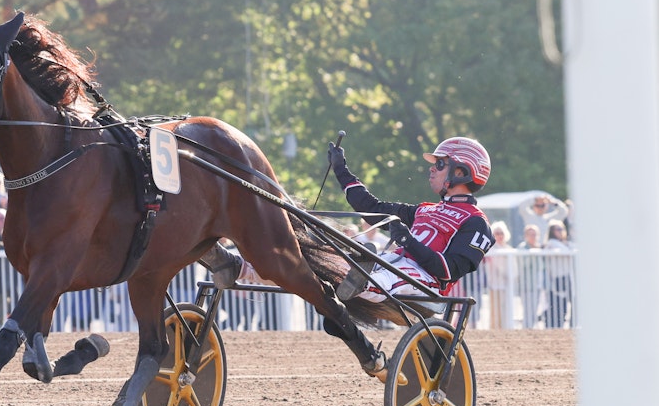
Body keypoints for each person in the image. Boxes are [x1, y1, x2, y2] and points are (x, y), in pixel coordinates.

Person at [210, 137, 495, 382]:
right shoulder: (425, 209)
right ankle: (242, 269)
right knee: (317, 261)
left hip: (425, 284)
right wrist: (342, 171)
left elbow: (449, 271)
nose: (432, 168)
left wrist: (407, 240)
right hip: (392, 266)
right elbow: (371, 209)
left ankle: (354, 284)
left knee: (369, 269)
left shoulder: (477, 224)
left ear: (461, 171)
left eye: (440, 164)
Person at [541, 220, 574, 329]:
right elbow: (566, 252)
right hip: (557, 279)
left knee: (566, 305)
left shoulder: (566, 243)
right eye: (558, 229)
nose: (561, 232)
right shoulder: (551, 243)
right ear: (552, 231)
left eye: (562, 229)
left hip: (566, 278)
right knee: (558, 306)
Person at [485, 221, 518, 330]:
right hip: (495, 285)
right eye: (497, 233)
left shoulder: (508, 248)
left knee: (506, 311)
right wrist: (507, 274)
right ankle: (495, 331)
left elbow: (514, 268)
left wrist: (511, 277)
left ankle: (505, 330)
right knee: (495, 311)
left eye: (501, 233)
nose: (499, 235)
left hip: (507, 285)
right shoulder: (492, 249)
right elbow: (499, 267)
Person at [517, 225, 544, 328]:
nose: (533, 237)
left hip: (537, 285)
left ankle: (531, 330)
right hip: (526, 286)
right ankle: (527, 330)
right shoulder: (522, 248)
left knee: (534, 311)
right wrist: (533, 252)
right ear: (526, 236)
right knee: (528, 311)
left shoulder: (539, 248)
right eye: (531, 234)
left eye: (535, 234)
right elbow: (523, 264)